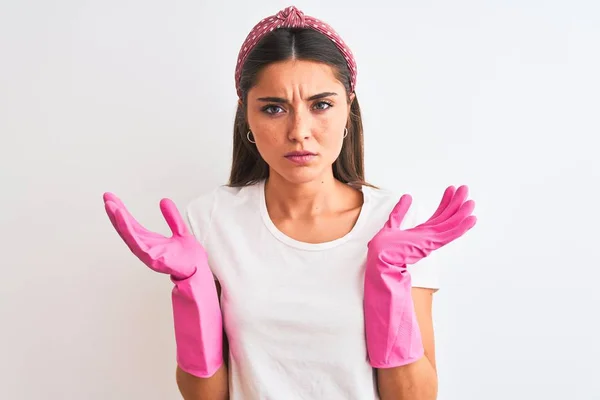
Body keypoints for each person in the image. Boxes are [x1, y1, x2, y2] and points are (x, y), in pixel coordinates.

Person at [103, 5, 477, 400]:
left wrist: (390, 289)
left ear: (348, 107)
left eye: (321, 104)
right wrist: (191, 290)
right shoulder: (210, 220)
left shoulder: (396, 223)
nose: (299, 131)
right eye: (273, 108)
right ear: (246, 115)